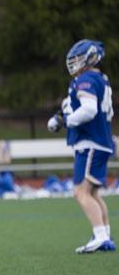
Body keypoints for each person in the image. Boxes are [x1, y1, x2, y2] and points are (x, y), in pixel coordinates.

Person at [47, 39, 115, 254]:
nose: (74, 63)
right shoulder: (100, 79)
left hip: (90, 142)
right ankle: (104, 235)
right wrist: (60, 117)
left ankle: (100, 236)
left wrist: (66, 121)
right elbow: (74, 106)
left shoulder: (85, 80)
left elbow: (88, 110)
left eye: (78, 59)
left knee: (81, 192)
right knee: (93, 193)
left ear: (90, 57)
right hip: (101, 142)